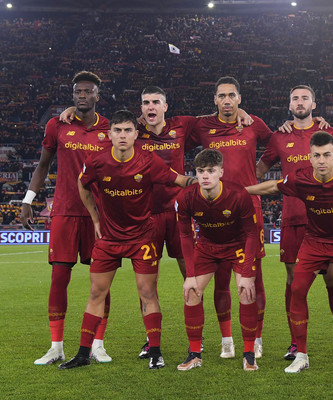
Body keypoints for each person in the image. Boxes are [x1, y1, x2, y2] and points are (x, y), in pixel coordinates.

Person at [58, 110, 194, 370]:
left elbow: (178, 179)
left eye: (128, 130)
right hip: (108, 238)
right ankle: (83, 354)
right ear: (109, 134)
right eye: (117, 130)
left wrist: (205, 182)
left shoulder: (148, 160)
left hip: (142, 238)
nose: (122, 135)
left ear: (135, 134)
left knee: (147, 292)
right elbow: (82, 184)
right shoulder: (97, 161)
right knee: (96, 293)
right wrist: (95, 219)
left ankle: (155, 352)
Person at [247, 131, 333, 375]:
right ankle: (301, 355)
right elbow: (272, 187)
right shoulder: (300, 178)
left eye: (327, 155)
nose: (322, 160)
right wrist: (241, 191)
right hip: (316, 240)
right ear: (309, 158)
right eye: (317, 155)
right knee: (297, 289)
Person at [256, 85, 333, 361]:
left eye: (305, 98)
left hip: (329, 220)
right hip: (294, 219)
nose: (299, 102)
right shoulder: (279, 137)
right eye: (295, 98)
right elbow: (258, 171)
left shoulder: (328, 133)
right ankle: (295, 343)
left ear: (314, 104)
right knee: (293, 281)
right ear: (289, 105)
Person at [21, 71, 113, 365]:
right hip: (64, 211)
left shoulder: (109, 129)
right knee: (59, 278)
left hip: (97, 215)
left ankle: (98, 344)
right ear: (73, 95)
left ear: (97, 95)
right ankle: (56, 346)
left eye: (88, 91)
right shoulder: (57, 125)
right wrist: (28, 200)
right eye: (78, 92)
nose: (82, 95)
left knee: (101, 282)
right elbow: (43, 165)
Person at [186, 76, 272, 359]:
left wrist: (259, 170)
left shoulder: (253, 123)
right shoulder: (202, 126)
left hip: (248, 209)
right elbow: (173, 139)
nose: (226, 100)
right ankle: (227, 340)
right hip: (213, 209)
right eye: (221, 96)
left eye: (232, 95)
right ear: (214, 100)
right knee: (221, 278)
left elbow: (278, 146)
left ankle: (256, 338)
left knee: (254, 278)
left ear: (239, 98)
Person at [176, 149, 260, 371]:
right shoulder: (186, 197)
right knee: (191, 293)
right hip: (207, 247)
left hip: (237, 245)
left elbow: (251, 234)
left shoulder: (238, 194)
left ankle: (249, 354)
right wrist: (190, 275)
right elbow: (185, 235)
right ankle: (195, 354)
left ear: (221, 172)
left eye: (211, 171)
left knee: (247, 293)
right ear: (195, 172)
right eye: (201, 171)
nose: (205, 176)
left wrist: (247, 273)